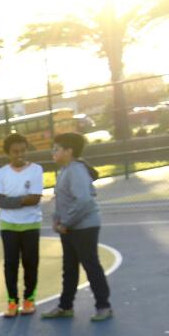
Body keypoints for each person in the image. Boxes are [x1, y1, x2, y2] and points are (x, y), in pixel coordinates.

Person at [41, 132, 112, 321]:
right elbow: (62, 200)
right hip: (71, 227)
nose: (52, 152)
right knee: (70, 267)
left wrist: (65, 223)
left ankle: (104, 306)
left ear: (69, 151)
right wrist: (57, 220)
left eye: (56, 149)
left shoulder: (76, 171)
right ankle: (65, 306)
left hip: (84, 227)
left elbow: (83, 201)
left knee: (90, 265)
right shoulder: (66, 170)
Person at [0, 133, 43, 317]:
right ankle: (12, 302)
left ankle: (29, 299)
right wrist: (23, 199)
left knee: (31, 263)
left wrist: (11, 201)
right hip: (8, 225)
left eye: (23, 150)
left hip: (31, 224)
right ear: (8, 153)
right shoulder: (1, 173)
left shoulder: (36, 170)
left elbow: (35, 198)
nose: (19, 154)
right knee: (11, 264)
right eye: (15, 151)